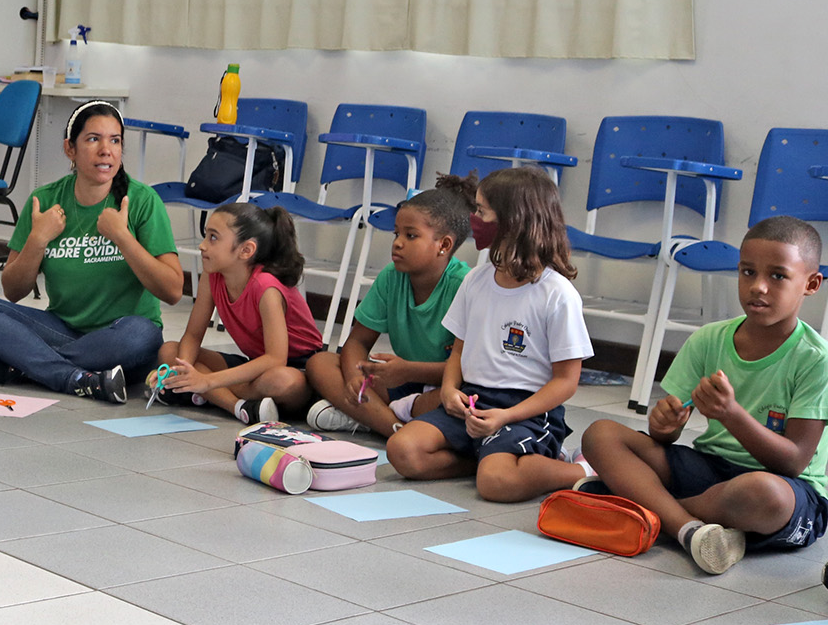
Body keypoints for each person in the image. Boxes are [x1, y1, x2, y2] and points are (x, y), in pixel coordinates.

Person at [581, 217, 828, 576]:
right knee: (600, 433)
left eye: (778, 276)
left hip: (786, 489)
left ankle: (645, 506)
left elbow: (793, 463)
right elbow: (664, 435)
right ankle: (689, 530)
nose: (758, 287)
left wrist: (731, 414)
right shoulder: (709, 339)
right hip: (711, 469)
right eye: (747, 272)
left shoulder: (816, 360)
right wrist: (664, 425)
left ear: (811, 284)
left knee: (764, 495)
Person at [0, 101, 184, 403]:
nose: (106, 150)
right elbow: (13, 290)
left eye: (115, 140)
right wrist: (37, 239)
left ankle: (27, 365)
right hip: (63, 329)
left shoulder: (142, 200)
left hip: (121, 336)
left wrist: (122, 237)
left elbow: (173, 290)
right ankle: (75, 377)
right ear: (70, 149)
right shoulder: (45, 201)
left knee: (141, 335)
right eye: (93, 139)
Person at [387, 167, 592, 501]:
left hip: (526, 411)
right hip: (473, 401)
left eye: (481, 211)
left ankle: (582, 470)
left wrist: (507, 416)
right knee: (403, 451)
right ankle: (489, 459)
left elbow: (566, 381)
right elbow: (458, 351)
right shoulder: (476, 280)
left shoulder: (557, 293)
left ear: (513, 221)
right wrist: (449, 391)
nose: (474, 219)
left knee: (495, 484)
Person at [304, 176, 477, 437]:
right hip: (400, 381)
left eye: (411, 235)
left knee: (464, 398)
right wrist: (354, 378)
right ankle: (394, 428)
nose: (397, 242)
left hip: (444, 386)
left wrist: (407, 371)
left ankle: (371, 417)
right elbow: (357, 342)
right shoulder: (391, 276)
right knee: (321, 363)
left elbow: (469, 369)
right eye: (397, 233)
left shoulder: (464, 286)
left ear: (443, 245)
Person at [144, 202, 324, 424]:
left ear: (246, 250)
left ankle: (206, 394)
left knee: (284, 381)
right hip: (255, 366)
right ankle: (238, 406)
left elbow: (276, 359)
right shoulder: (212, 276)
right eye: (205, 235)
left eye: (213, 237)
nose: (202, 245)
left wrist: (208, 381)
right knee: (171, 351)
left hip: (295, 369)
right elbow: (192, 335)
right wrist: (183, 371)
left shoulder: (266, 287)